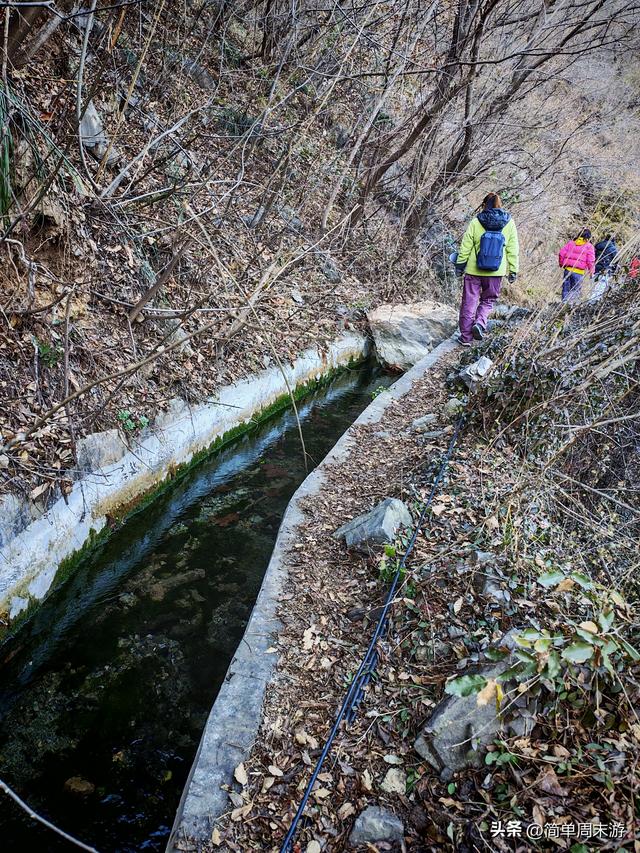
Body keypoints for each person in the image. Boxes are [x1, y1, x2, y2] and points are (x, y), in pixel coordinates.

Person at [454, 192, 519, 346]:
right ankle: (480, 322)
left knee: (469, 302)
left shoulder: (476, 221)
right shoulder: (509, 223)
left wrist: (460, 265)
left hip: (473, 270)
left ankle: (466, 338)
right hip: (496, 272)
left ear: (484, 204)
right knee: (488, 300)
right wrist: (513, 270)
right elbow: (513, 248)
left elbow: (466, 246)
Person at [558, 229, 595, 302]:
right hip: (578, 272)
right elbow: (590, 261)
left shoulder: (571, 243)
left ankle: (563, 303)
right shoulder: (589, 246)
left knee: (565, 289)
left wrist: (562, 264)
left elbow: (561, 253)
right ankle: (570, 305)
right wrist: (592, 272)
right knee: (575, 291)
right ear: (588, 237)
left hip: (568, 270)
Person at [591, 234, 618, 300]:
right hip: (605, 270)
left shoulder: (598, 246)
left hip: (596, 268)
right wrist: (613, 271)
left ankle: (590, 300)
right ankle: (594, 301)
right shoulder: (613, 249)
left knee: (593, 286)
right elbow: (616, 261)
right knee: (600, 288)